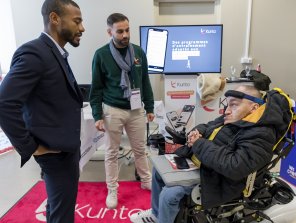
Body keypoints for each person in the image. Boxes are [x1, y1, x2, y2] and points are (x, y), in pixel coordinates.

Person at [130, 85, 288, 223]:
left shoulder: (261, 133)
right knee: (159, 169)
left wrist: (199, 144)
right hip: (204, 163)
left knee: (170, 194)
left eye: (234, 105)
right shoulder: (236, 116)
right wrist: (196, 132)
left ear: (254, 107)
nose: (226, 110)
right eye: (227, 105)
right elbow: (209, 126)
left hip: (219, 178)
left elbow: (235, 166)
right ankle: (157, 215)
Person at [0, 0, 85, 222]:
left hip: (63, 148)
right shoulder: (35, 53)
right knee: (62, 215)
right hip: (55, 153)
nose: (82, 28)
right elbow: (4, 103)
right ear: (55, 19)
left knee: (57, 206)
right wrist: (31, 147)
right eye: (77, 21)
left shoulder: (55, 53)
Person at [89, 13, 154, 209]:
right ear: (110, 32)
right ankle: (112, 189)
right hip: (112, 110)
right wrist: (97, 115)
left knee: (140, 150)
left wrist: (149, 106)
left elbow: (144, 81)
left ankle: (146, 180)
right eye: (120, 31)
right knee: (111, 153)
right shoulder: (101, 55)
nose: (125, 34)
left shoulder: (138, 53)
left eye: (127, 30)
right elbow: (96, 88)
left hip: (135, 110)